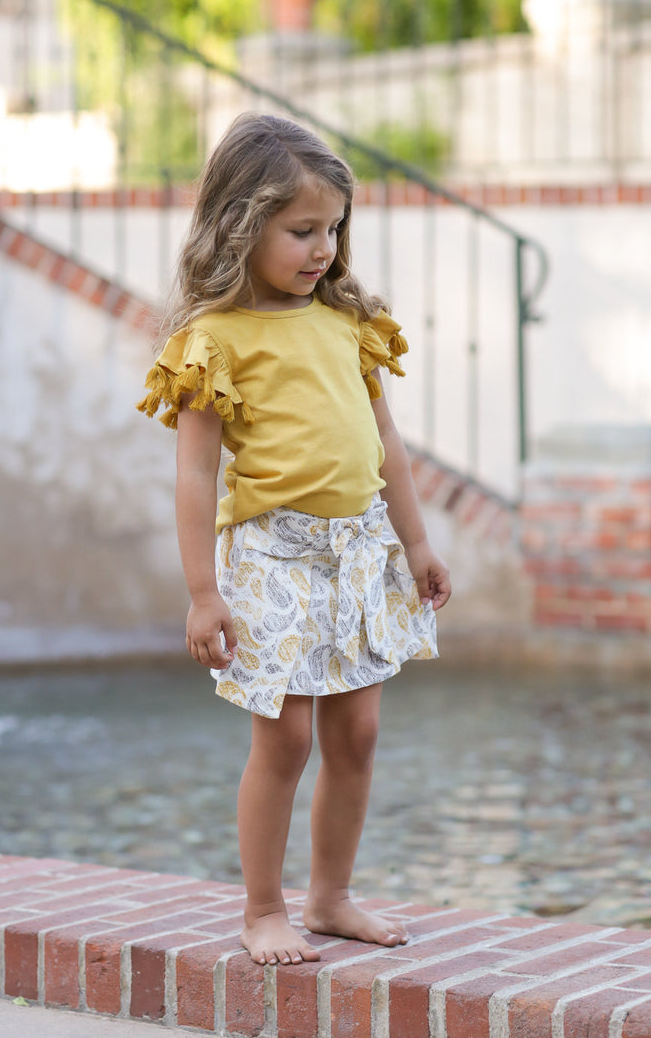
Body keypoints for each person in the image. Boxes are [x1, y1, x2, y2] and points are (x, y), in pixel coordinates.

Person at [137, 113, 451, 967]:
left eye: (334, 229)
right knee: (286, 737)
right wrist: (204, 592)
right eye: (302, 230)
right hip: (273, 554)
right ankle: (263, 908)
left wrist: (417, 543)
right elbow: (195, 476)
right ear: (243, 226)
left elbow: (386, 443)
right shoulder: (214, 341)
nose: (323, 248)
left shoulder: (348, 322)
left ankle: (332, 896)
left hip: (360, 552)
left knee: (358, 736)